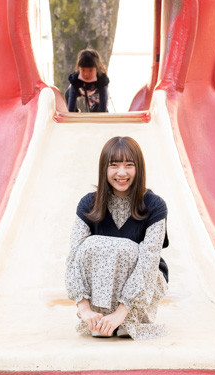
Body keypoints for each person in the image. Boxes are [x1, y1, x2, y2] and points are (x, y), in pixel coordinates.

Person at [65, 136, 169, 339]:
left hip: (144, 287)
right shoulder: (88, 204)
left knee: (127, 249)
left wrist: (122, 312)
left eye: (129, 165)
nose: (122, 173)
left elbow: (149, 261)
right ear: (104, 168)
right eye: (114, 165)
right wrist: (84, 309)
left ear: (139, 168)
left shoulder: (155, 205)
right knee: (89, 246)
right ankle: (99, 319)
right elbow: (74, 257)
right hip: (98, 297)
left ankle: (128, 320)